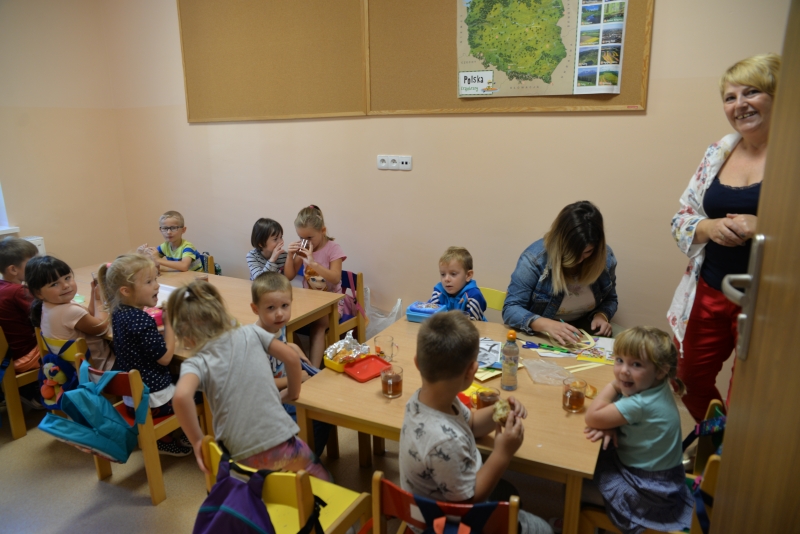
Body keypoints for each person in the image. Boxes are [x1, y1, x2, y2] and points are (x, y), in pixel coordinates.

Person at [667, 53, 780, 422]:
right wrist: (709, 227)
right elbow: (681, 218)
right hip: (711, 288)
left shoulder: (791, 156)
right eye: (730, 98)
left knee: (747, 395)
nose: (739, 104)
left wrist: (764, 226)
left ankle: (734, 453)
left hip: (768, 301)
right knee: (686, 380)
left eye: (752, 92)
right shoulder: (719, 152)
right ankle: (719, 442)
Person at [399, 311, 552, 534]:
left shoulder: (430, 398)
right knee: (544, 529)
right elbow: (468, 503)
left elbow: (470, 423)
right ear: (471, 371)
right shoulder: (444, 441)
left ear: (417, 363)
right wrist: (502, 453)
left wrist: (499, 410)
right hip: (448, 524)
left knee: (507, 490)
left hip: (445, 498)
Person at [170, 279, 331, 481]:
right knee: (319, 478)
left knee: (256, 487)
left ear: (184, 335)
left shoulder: (196, 362)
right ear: (222, 313)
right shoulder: (251, 332)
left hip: (238, 456)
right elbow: (291, 357)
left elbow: (181, 396)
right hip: (281, 442)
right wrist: (292, 392)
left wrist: (197, 441)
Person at [583, 326, 692, 534]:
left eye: (636, 364)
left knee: (578, 479)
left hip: (648, 491)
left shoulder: (641, 404)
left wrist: (614, 387)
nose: (624, 371)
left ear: (660, 370)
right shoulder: (658, 385)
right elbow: (607, 416)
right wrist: (611, 423)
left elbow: (592, 417)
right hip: (666, 478)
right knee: (598, 451)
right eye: (619, 360)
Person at [98, 253, 192, 456]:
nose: (157, 285)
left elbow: (141, 341)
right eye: (149, 282)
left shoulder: (119, 312)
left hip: (133, 396)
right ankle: (188, 435)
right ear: (126, 291)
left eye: (155, 279)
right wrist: (169, 324)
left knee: (182, 377)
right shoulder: (141, 319)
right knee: (199, 390)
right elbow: (165, 359)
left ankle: (165, 438)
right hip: (153, 400)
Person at [503, 201, 618, 345]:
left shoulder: (605, 259)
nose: (579, 260)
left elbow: (611, 299)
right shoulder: (534, 259)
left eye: (587, 252)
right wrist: (547, 324)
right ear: (560, 242)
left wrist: (601, 316)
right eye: (572, 252)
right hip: (543, 333)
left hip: (583, 332)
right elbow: (511, 308)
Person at [250, 271, 332, 457]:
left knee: (327, 402)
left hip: (283, 391)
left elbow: (283, 345)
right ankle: (302, 460)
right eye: (271, 308)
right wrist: (295, 378)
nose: (279, 313)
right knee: (319, 415)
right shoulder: (256, 341)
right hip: (267, 402)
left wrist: (295, 351)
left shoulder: (276, 325)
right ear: (255, 309)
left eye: (285, 306)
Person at [26, 256, 115, 371]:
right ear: (38, 293)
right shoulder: (69, 312)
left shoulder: (48, 306)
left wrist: (94, 293)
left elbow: (88, 315)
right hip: (101, 370)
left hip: (74, 371)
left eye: (67, 278)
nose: (65, 285)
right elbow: (102, 328)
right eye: (54, 284)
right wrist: (99, 299)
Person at [284, 205, 346, 367]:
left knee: (318, 326)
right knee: (285, 321)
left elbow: (335, 278)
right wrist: (290, 255)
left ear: (323, 231)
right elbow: (289, 276)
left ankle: (312, 370)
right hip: (309, 302)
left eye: (309, 237)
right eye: (301, 237)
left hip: (332, 304)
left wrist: (313, 263)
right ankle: (301, 365)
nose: (305, 242)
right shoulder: (304, 247)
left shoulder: (333, 249)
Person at [0, 237, 42, 408]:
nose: (37, 266)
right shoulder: (18, 291)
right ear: (13, 269)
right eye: (32, 263)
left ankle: (28, 391)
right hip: (26, 356)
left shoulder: (3, 287)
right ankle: (41, 393)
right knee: (70, 336)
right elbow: (44, 315)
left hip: (7, 356)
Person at [427, 246, 487, 321]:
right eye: (443, 274)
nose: (446, 279)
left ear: (468, 275)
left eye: (453, 274)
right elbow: (432, 317)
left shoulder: (473, 296)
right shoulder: (438, 293)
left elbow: (471, 324)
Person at [138, 210, 203, 272]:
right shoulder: (164, 246)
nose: (168, 232)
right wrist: (141, 255)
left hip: (197, 278)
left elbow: (184, 266)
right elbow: (152, 261)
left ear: (183, 230)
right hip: (180, 276)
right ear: (160, 230)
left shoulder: (187, 247)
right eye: (165, 228)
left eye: (173, 228)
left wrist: (158, 259)